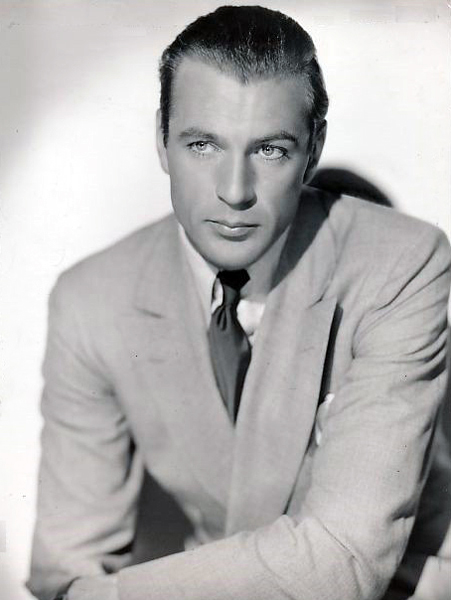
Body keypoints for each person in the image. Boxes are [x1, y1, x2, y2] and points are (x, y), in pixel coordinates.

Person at [27, 5, 451, 600]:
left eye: (270, 150)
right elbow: (65, 571)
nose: (234, 191)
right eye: (202, 144)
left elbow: (344, 559)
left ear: (313, 149)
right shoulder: (92, 299)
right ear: (161, 138)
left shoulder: (402, 262)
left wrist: (113, 596)